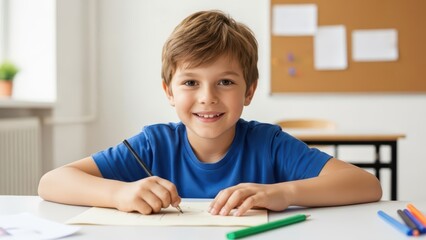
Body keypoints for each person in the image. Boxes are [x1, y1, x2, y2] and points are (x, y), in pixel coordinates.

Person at [38, 10, 382, 217]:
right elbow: (52, 182)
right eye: (190, 82)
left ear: (249, 90)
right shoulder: (153, 144)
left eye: (225, 82)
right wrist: (118, 194)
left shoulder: (268, 143)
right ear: (169, 91)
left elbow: (366, 185)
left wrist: (285, 193)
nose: (208, 97)